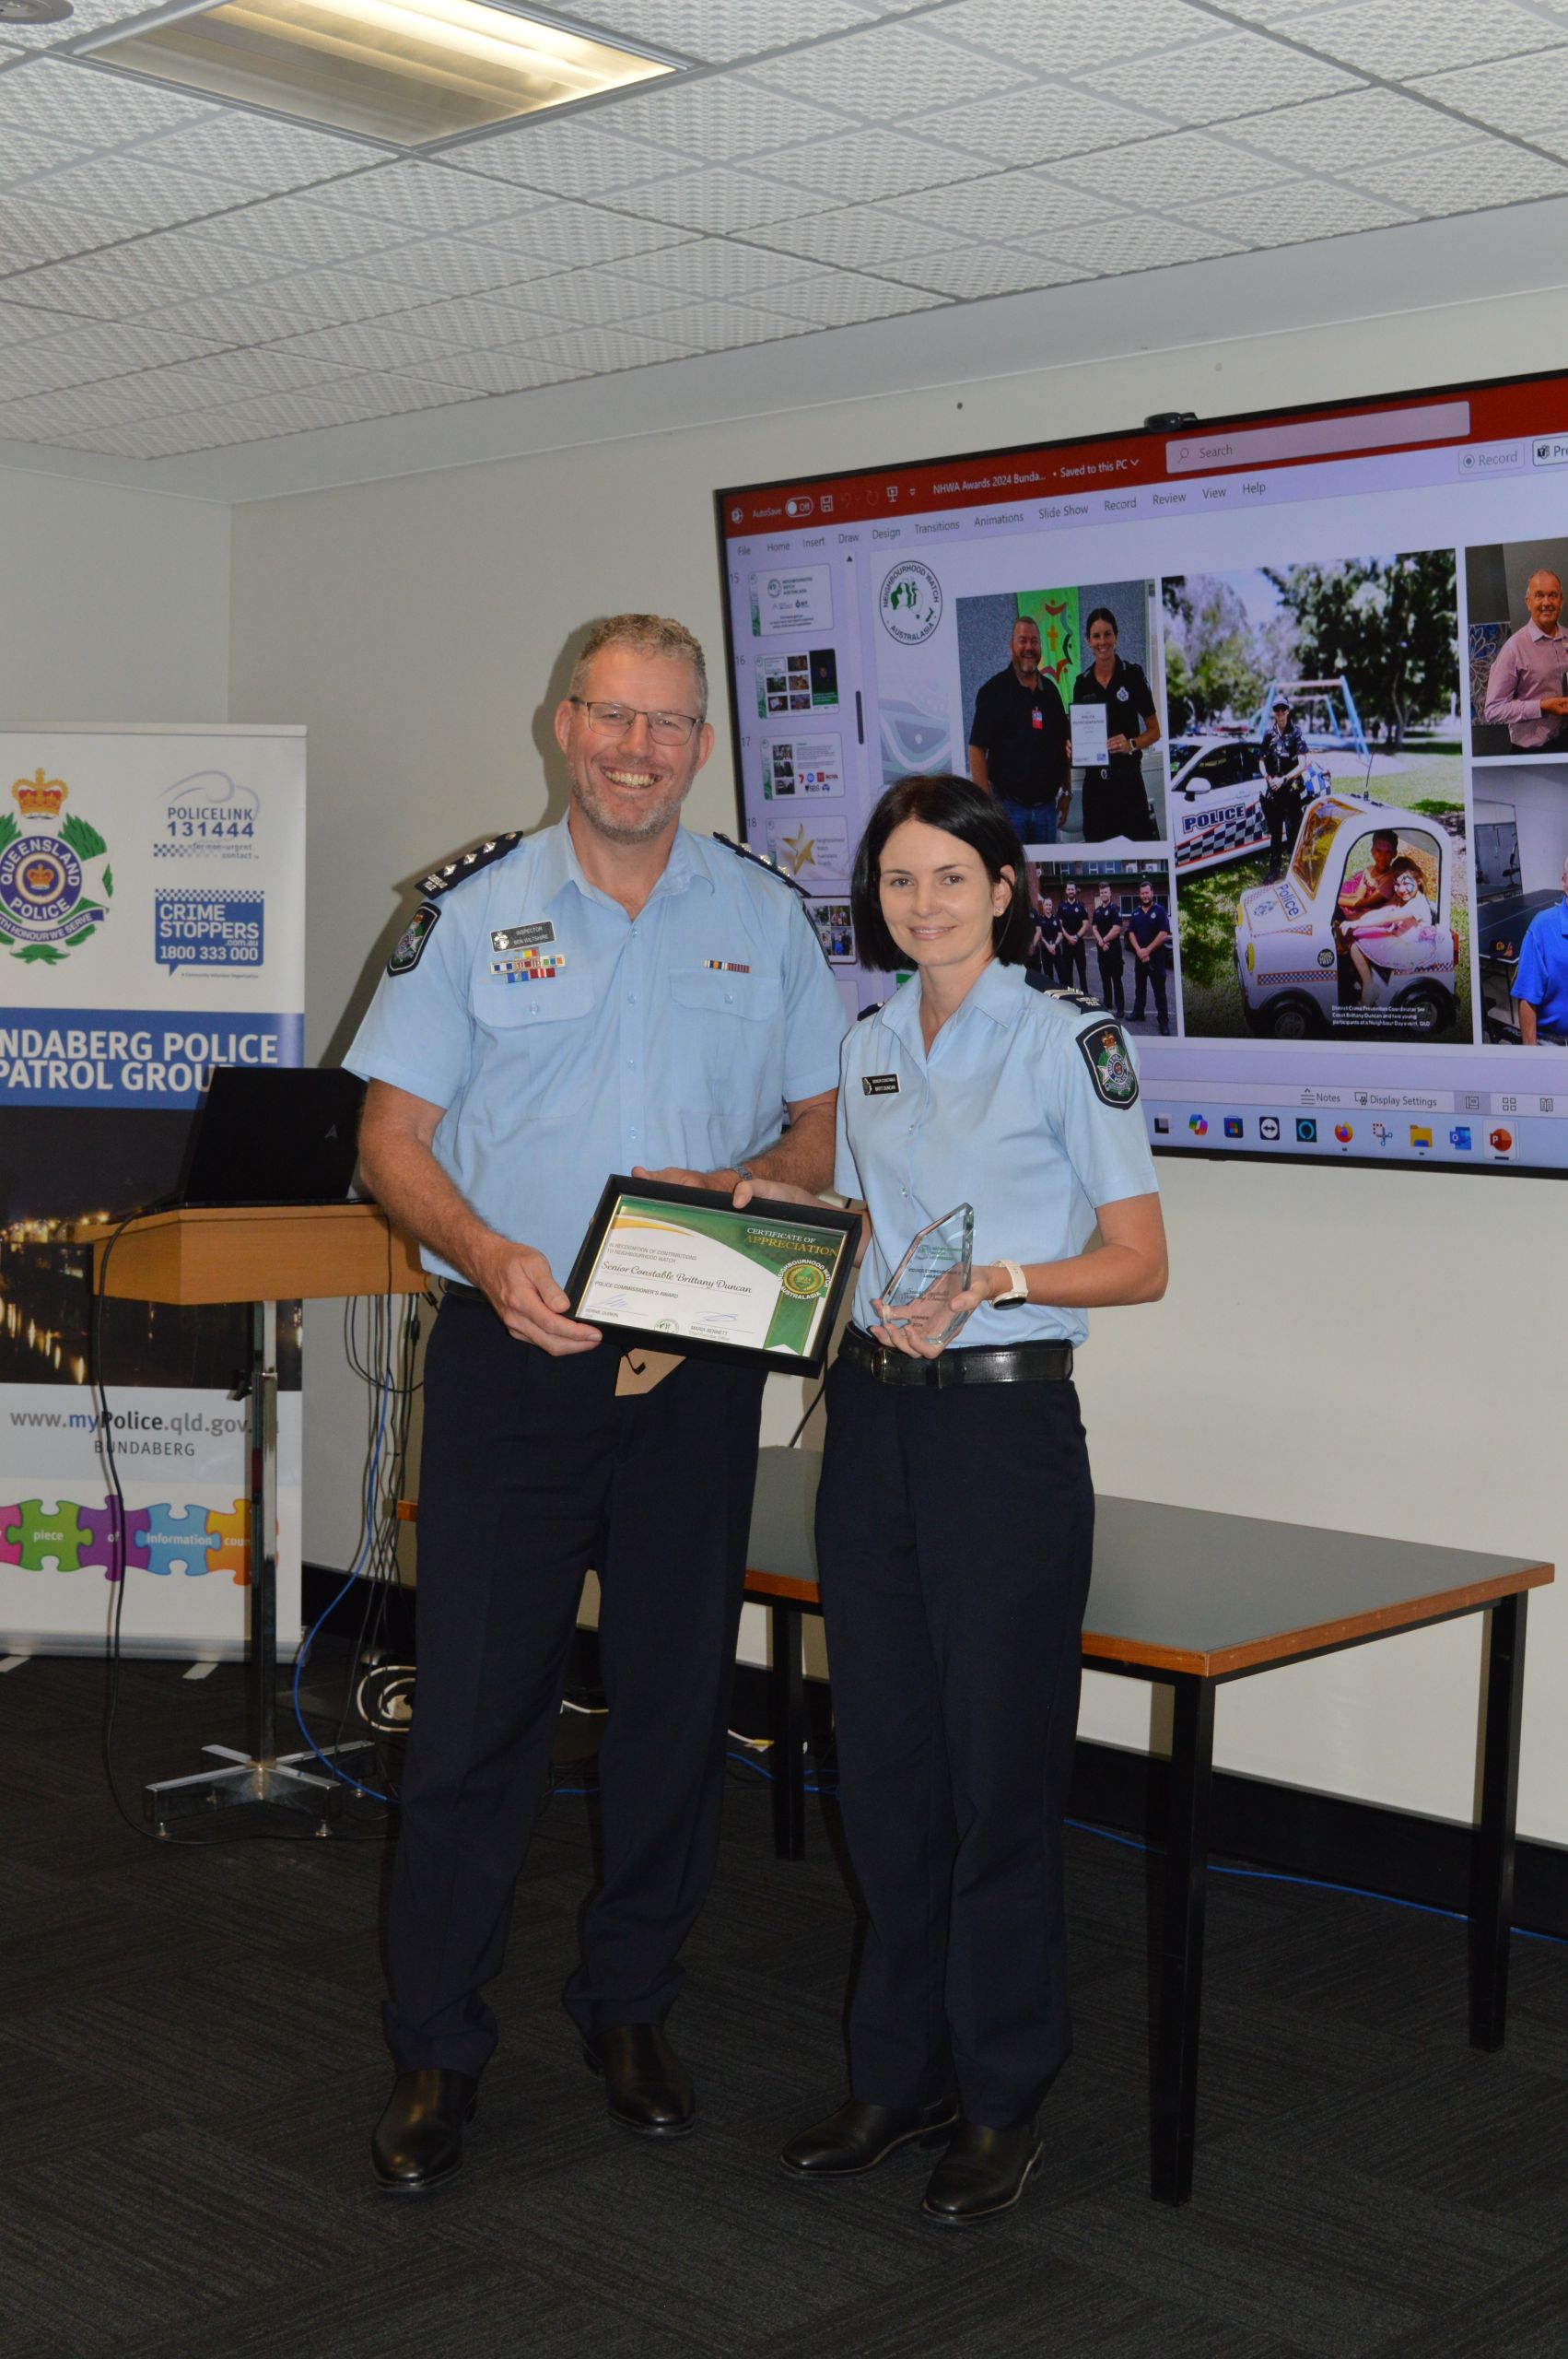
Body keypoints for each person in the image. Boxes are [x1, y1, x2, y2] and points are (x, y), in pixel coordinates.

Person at [347, 614, 845, 2195]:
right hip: (514, 1363)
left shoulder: (764, 918)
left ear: (700, 744)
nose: (639, 750)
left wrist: (773, 1182)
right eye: (614, 718)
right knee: (476, 1718)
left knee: (674, 1706)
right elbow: (389, 1142)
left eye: (669, 724)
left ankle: (630, 2007)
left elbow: (818, 1120)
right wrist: (486, 1252)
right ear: (563, 725)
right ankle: (438, 2045)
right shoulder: (470, 913)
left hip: (692, 1369)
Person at [771, 775, 1166, 2224]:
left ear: (1003, 891)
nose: (921, 903)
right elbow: (861, 1226)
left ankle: (1001, 2093)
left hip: (1003, 1432)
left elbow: (1139, 1260)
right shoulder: (868, 1043)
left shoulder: (1069, 1042)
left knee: (995, 1774)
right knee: (881, 1765)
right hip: (874, 1421)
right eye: (897, 880)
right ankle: (899, 2072)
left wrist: (1000, 1280)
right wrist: (743, 1225)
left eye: (950, 877)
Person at [968, 615, 1071, 846]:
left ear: (1040, 647)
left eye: (1034, 641)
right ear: (1011, 646)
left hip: (1047, 810)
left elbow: (1064, 746)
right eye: (1022, 640)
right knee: (1011, 867)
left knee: (1045, 869)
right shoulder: (993, 692)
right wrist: (985, 806)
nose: (1029, 647)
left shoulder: (1051, 692)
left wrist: (1067, 791)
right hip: (1008, 810)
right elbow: (976, 749)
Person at [1070, 607, 1161, 843]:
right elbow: (1077, 732)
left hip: (1129, 784)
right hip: (1096, 790)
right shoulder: (1082, 684)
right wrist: (1072, 746)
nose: (1102, 642)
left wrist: (1131, 744)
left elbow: (1155, 731)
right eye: (1096, 636)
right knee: (1099, 853)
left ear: (1116, 637)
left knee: (1138, 852)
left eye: (1107, 634)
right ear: (1088, 641)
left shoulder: (1133, 675)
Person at [1483, 570, 1568, 753]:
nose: (1546, 602)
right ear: (1528, 602)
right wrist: (1541, 707)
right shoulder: (1514, 648)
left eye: (1553, 595)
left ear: (1561, 601)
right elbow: (1493, 710)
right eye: (1539, 595)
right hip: (1532, 752)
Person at [1339, 856, 1437, 1006]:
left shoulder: (1417, 905)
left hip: (1409, 947)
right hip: (1397, 936)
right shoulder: (1402, 898)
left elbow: (1387, 917)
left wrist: (1357, 923)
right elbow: (1381, 912)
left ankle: (1369, 987)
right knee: (1359, 934)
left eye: (1406, 883)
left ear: (1417, 881)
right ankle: (1364, 980)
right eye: (1397, 884)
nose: (1401, 889)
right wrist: (1358, 920)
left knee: (1356, 943)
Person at [1512, 851, 1568, 1042]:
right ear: (1564, 882)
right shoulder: (1541, 927)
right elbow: (1527, 997)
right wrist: (1531, 1054)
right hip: (1555, 1041)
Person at [1258, 696, 1309, 881]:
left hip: (1291, 793)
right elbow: (1261, 761)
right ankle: (1274, 871)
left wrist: (1284, 779)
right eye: (1277, 709)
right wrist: (1268, 778)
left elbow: (1303, 764)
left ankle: (1296, 872)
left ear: (1288, 711)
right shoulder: (1268, 734)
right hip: (1274, 794)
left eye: (1283, 709)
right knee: (1275, 836)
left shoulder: (1296, 733)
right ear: (1274, 712)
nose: (1280, 712)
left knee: (1293, 835)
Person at [1125, 878, 1173, 1035]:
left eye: (1147, 893)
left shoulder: (1160, 911)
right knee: (1140, 988)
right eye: (1142, 893)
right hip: (1140, 959)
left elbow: (1163, 934)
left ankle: (1163, 1022)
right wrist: (1139, 951)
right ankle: (1139, 1013)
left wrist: (1147, 950)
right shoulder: (1135, 912)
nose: (1145, 896)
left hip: (1156, 959)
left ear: (1152, 893)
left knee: (1159, 992)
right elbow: (1131, 933)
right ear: (1139, 895)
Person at [1092, 882, 1126, 1015]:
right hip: (1102, 951)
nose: (1103, 894)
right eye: (1101, 892)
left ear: (1110, 893)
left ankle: (1120, 1008)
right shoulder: (1097, 911)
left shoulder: (1115, 909)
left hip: (1114, 951)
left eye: (1105, 892)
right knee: (1105, 979)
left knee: (1116, 980)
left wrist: (1103, 940)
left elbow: (1116, 930)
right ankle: (1108, 1003)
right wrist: (1101, 943)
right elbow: (1094, 928)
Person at [1057, 876, 1090, 991]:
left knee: (1082, 974)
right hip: (1066, 945)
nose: (1071, 891)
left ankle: (1085, 997)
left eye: (1072, 889)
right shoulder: (1061, 906)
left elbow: (1085, 924)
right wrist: (1068, 937)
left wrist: (1076, 937)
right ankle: (1071, 998)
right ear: (1066, 891)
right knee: (1068, 974)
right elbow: (1060, 925)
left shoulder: (1081, 906)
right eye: (1069, 889)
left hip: (1079, 944)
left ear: (1075, 891)